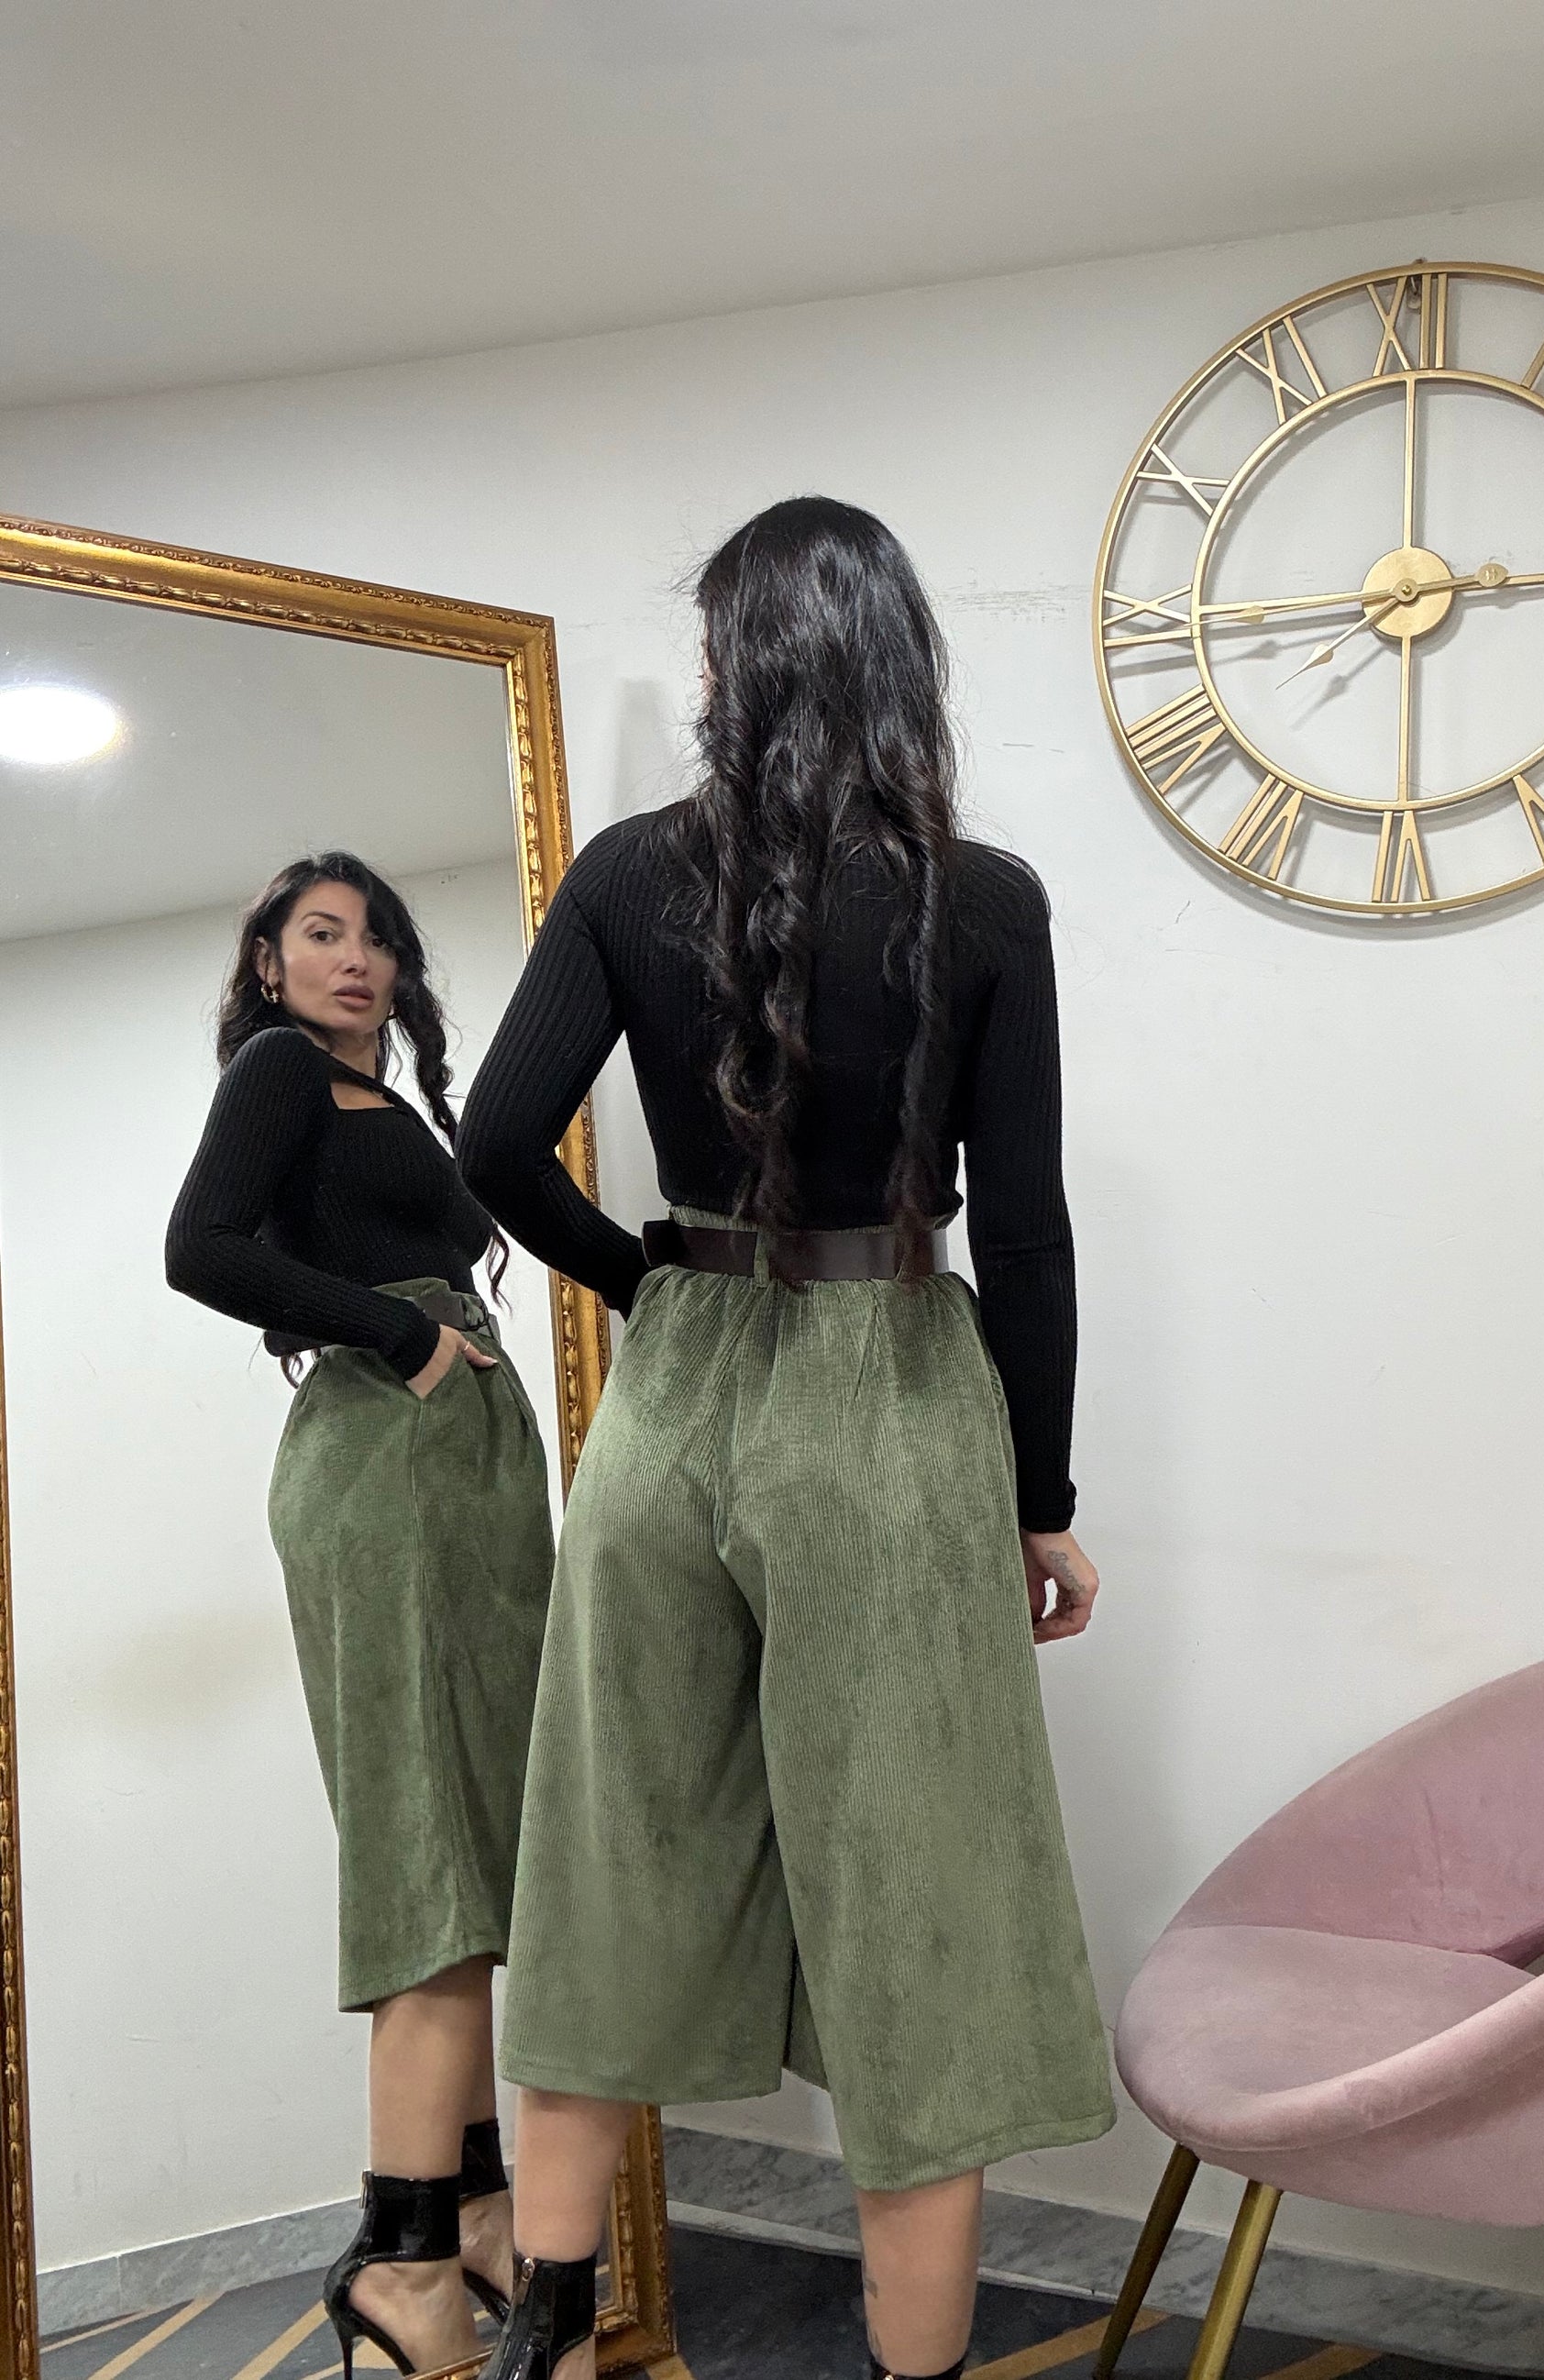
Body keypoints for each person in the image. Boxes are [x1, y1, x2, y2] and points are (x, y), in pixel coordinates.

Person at [457, 496, 1115, 2380]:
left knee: (609, 1848)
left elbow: (494, 1145)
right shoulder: (979, 900)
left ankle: (541, 2339)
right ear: (900, 661)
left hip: (675, 1398)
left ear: (728, 664)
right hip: (886, 1385)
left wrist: (647, 1282)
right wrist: (1042, 1500)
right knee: (919, 1889)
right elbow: (1027, 1229)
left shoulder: (621, 874)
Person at [164, 852, 556, 2379]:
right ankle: (401, 2257)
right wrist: (399, 1332)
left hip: (455, 1476)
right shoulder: (276, 1071)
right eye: (321, 933)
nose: (358, 957)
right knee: (428, 1849)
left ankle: (475, 2209)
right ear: (267, 963)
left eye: (378, 937)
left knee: (473, 1836)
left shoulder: (381, 1101)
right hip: (386, 1471)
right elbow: (201, 1249)